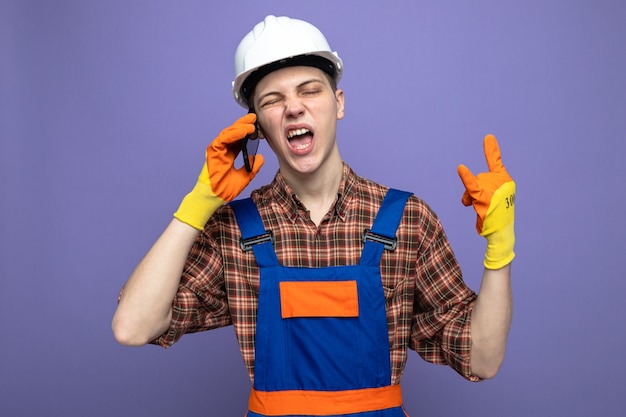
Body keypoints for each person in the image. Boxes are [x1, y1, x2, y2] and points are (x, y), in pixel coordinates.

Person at [112, 15, 515, 417]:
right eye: (272, 100)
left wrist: (499, 249)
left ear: (338, 104)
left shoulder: (407, 220)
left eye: (310, 91)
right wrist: (197, 206)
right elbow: (133, 327)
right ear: (255, 128)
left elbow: (482, 359)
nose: (293, 108)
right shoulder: (233, 230)